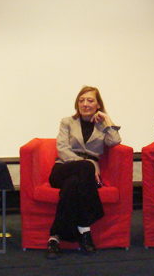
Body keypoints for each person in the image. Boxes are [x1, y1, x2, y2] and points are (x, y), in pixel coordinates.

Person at [45, 86, 121, 259]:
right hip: (63, 168)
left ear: (98, 105)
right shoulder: (67, 122)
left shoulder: (102, 125)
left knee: (72, 186)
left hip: (83, 177)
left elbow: (115, 141)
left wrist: (107, 120)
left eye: (90, 100)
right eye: (81, 100)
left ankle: (54, 238)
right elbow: (62, 149)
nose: (85, 104)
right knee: (86, 167)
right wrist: (85, 163)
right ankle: (85, 230)